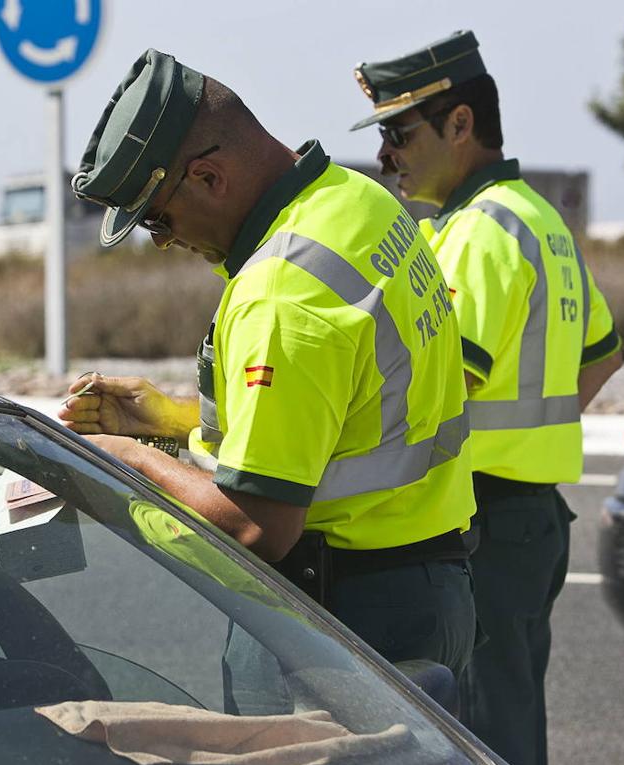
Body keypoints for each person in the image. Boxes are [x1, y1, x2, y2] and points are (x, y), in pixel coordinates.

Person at [60, 48, 478, 677]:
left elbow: (258, 525)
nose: (166, 242)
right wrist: (170, 424)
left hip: (339, 621)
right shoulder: (352, 198)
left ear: (207, 177)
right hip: (424, 589)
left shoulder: (282, 292)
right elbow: (341, 420)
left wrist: (125, 461)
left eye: (158, 219)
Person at [350, 30, 622, 765]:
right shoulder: (538, 220)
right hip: (528, 519)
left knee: (482, 758)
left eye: (399, 134)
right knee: (509, 730)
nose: (386, 157)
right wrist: (532, 431)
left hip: (485, 527)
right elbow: (602, 352)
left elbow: (435, 388)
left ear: (460, 125)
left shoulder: (477, 234)